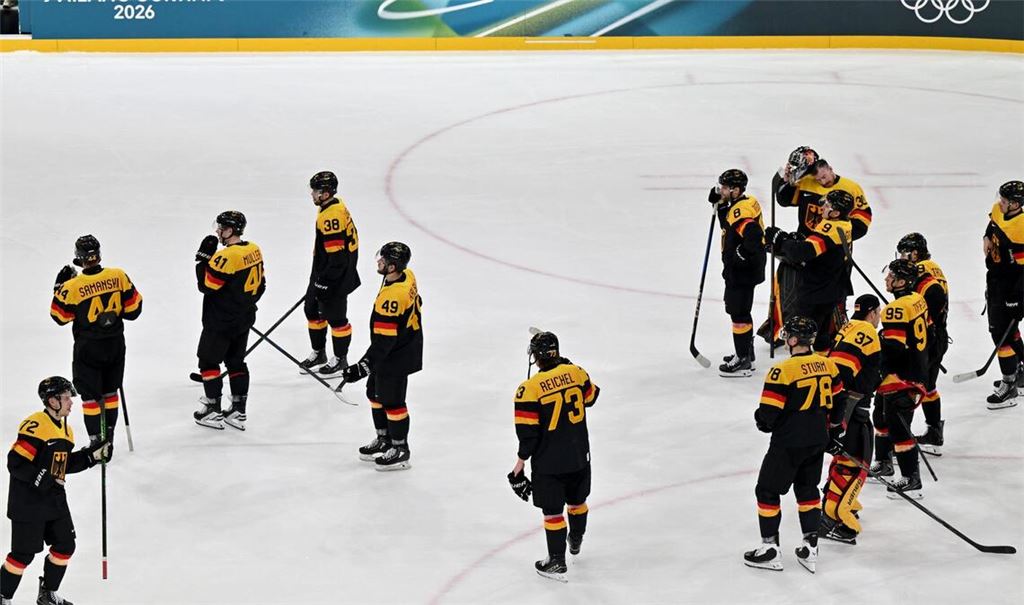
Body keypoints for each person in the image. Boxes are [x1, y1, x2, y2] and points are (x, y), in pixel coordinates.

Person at [744, 316, 843, 574]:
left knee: (767, 491)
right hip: (817, 440)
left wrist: (761, 421)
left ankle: (770, 548)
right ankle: (810, 547)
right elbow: (839, 404)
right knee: (808, 490)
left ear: (794, 340)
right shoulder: (829, 365)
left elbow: (768, 415)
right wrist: (832, 431)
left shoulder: (783, 371)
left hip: (788, 442)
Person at [1, 377, 110, 605]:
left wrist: (91, 456)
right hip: (28, 502)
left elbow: (62, 465)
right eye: (67, 398)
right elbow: (16, 463)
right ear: (52, 401)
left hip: (54, 500)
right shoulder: (36, 424)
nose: (71, 402)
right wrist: (40, 478)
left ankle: (47, 595)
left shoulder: (67, 431)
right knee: (23, 554)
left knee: (65, 545)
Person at [509, 332, 599, 582]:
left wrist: (519, 464)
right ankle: (576, 539)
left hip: (549, 463)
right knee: (577, 502)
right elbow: (591, 397)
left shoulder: (529, 389)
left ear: (535, 356)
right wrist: (567, 368)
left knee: (552, 512)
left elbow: (528, 436)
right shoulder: (577, 372)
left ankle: (557, 560)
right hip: (579, 456)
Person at [761, 150, 872, 343]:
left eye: (824, 176)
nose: (822, 181)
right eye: (818, 178)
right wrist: (787, 181)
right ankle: (784, 328)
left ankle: (829, 333)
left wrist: (836, 237)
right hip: (805, 247)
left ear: (831, 169)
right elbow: (784, 200)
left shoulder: (851, 188)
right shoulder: (807, 182)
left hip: (830, 250)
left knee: (831, 295)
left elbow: (863, 221)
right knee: (792, 288)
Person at [49, 235, 142, 458]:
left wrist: (59, 287)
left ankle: (97, 444)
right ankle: (109, 438)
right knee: (110, 392)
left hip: (88, 349)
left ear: (79, 258)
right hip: (115, 346)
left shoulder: (72, 286)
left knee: (90, 397)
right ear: (98, 255)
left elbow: (59, 316)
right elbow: (134, 310)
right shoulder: (118, 276)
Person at [342, 242, 422, 471]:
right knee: (374, 393)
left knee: (393, 402)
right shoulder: (406, 275)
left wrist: (362, 367)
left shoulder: (393, 297)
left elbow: (384, 341)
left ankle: (400, 449)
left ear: (393, 266)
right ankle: (384, 439)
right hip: (397, 348)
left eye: (384, 260)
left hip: (397, 354)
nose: (379, 262)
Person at [193, 211, 266, 430]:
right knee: (236, 362)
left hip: (220, 322)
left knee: (208, 362)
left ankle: (212, 409)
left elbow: (206, 285)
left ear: (231, 230)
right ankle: (238, 410)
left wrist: (202, 260)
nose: (218, 231)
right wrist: (243, 305)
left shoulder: (226, 257)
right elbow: (261, 285)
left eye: (221, 228)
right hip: (243, 319)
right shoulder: (254, 249)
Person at [820, 294, 882, 545]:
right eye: (878, 313)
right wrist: (840, 418)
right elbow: (842, 372)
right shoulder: (866, 331)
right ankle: (833, 518)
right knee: (855, 462)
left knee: (844, 459)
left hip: (843, 408)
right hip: (851, 410)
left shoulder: (848, 326)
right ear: (872, 313)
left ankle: (836, 504)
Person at [765, 190, 854, 353]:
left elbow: (801, 253)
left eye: (827, 205)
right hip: (833, 288)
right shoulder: (845, 223)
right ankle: (823, 361)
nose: (823, 207)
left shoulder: (830, 228)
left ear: (836, 213)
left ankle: (802, 365)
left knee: (800, 334)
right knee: (822, 335)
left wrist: (782, 240)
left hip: (817, 291)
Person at [870, 259, 929, 499]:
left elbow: (894, 349)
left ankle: (911, 479)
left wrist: (879, 368)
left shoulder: (896, 309)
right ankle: (884, 462)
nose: (887, 279)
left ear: (902, 281)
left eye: (891, 276)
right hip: (911, 371)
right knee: (881, 417)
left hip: (901, 376)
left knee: (899, 427)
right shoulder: (917, 299)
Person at [299, 171, 361, 377]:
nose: (312, 194)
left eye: (315, 191)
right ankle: (319, 354)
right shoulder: (331, 206)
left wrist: (324, 282)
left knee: (336, 318)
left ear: (325, 193)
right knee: (312, 310)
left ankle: (341, 359)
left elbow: (338, 259)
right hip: (323, 271)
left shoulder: (331, 216)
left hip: (336, 275)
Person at [709, 169, 766, 377]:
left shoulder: (740, 211)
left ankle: (743, 360)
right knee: (742, 311)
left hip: (743, 271)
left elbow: (754, 235)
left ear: (736, 190)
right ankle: (746, 353)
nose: (721, 190)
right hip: (748, 269)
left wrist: (740, 256)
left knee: (738, 313)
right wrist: (720, 203)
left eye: (724, 188)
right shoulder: (746, 201)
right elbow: (728, 225)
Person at [896, 233, 949, 451]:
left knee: (911, 385)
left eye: (904, 252)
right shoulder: (933, 267)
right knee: (928, 385)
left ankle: (902, 440)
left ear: (915, 253)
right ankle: (934, 431)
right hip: (937, 335)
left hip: (926, 338)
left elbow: (929, 303)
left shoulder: (920, 271)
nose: (901, 256)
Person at [984, 180, 1024, 409]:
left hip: (1012, 286)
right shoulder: (999, 210)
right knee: (1010, 331)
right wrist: (986, 238)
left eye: (1005, 200)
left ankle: (1009, 384)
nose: (1000, 202)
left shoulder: (1021, 229)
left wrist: (1018, 298)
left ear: (1016, 204)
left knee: (1000, 334)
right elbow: (991, 226)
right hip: (996, 279)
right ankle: (1021, 374)